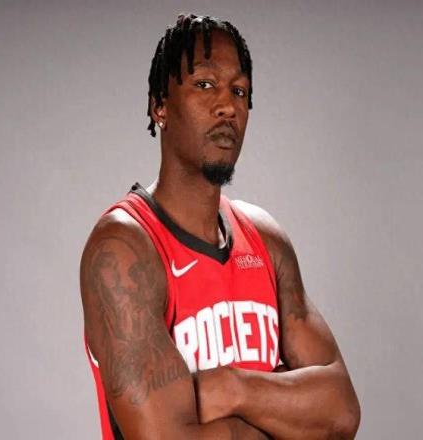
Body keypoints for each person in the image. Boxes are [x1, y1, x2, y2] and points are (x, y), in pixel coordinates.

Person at [80, 13, 361, 439]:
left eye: (239, 90)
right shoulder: (123, 249)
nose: (227, 105)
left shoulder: (266, 241)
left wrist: (231, 388)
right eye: (205, 84)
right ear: (160, 106)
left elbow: (341, 413)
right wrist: (287, 415)